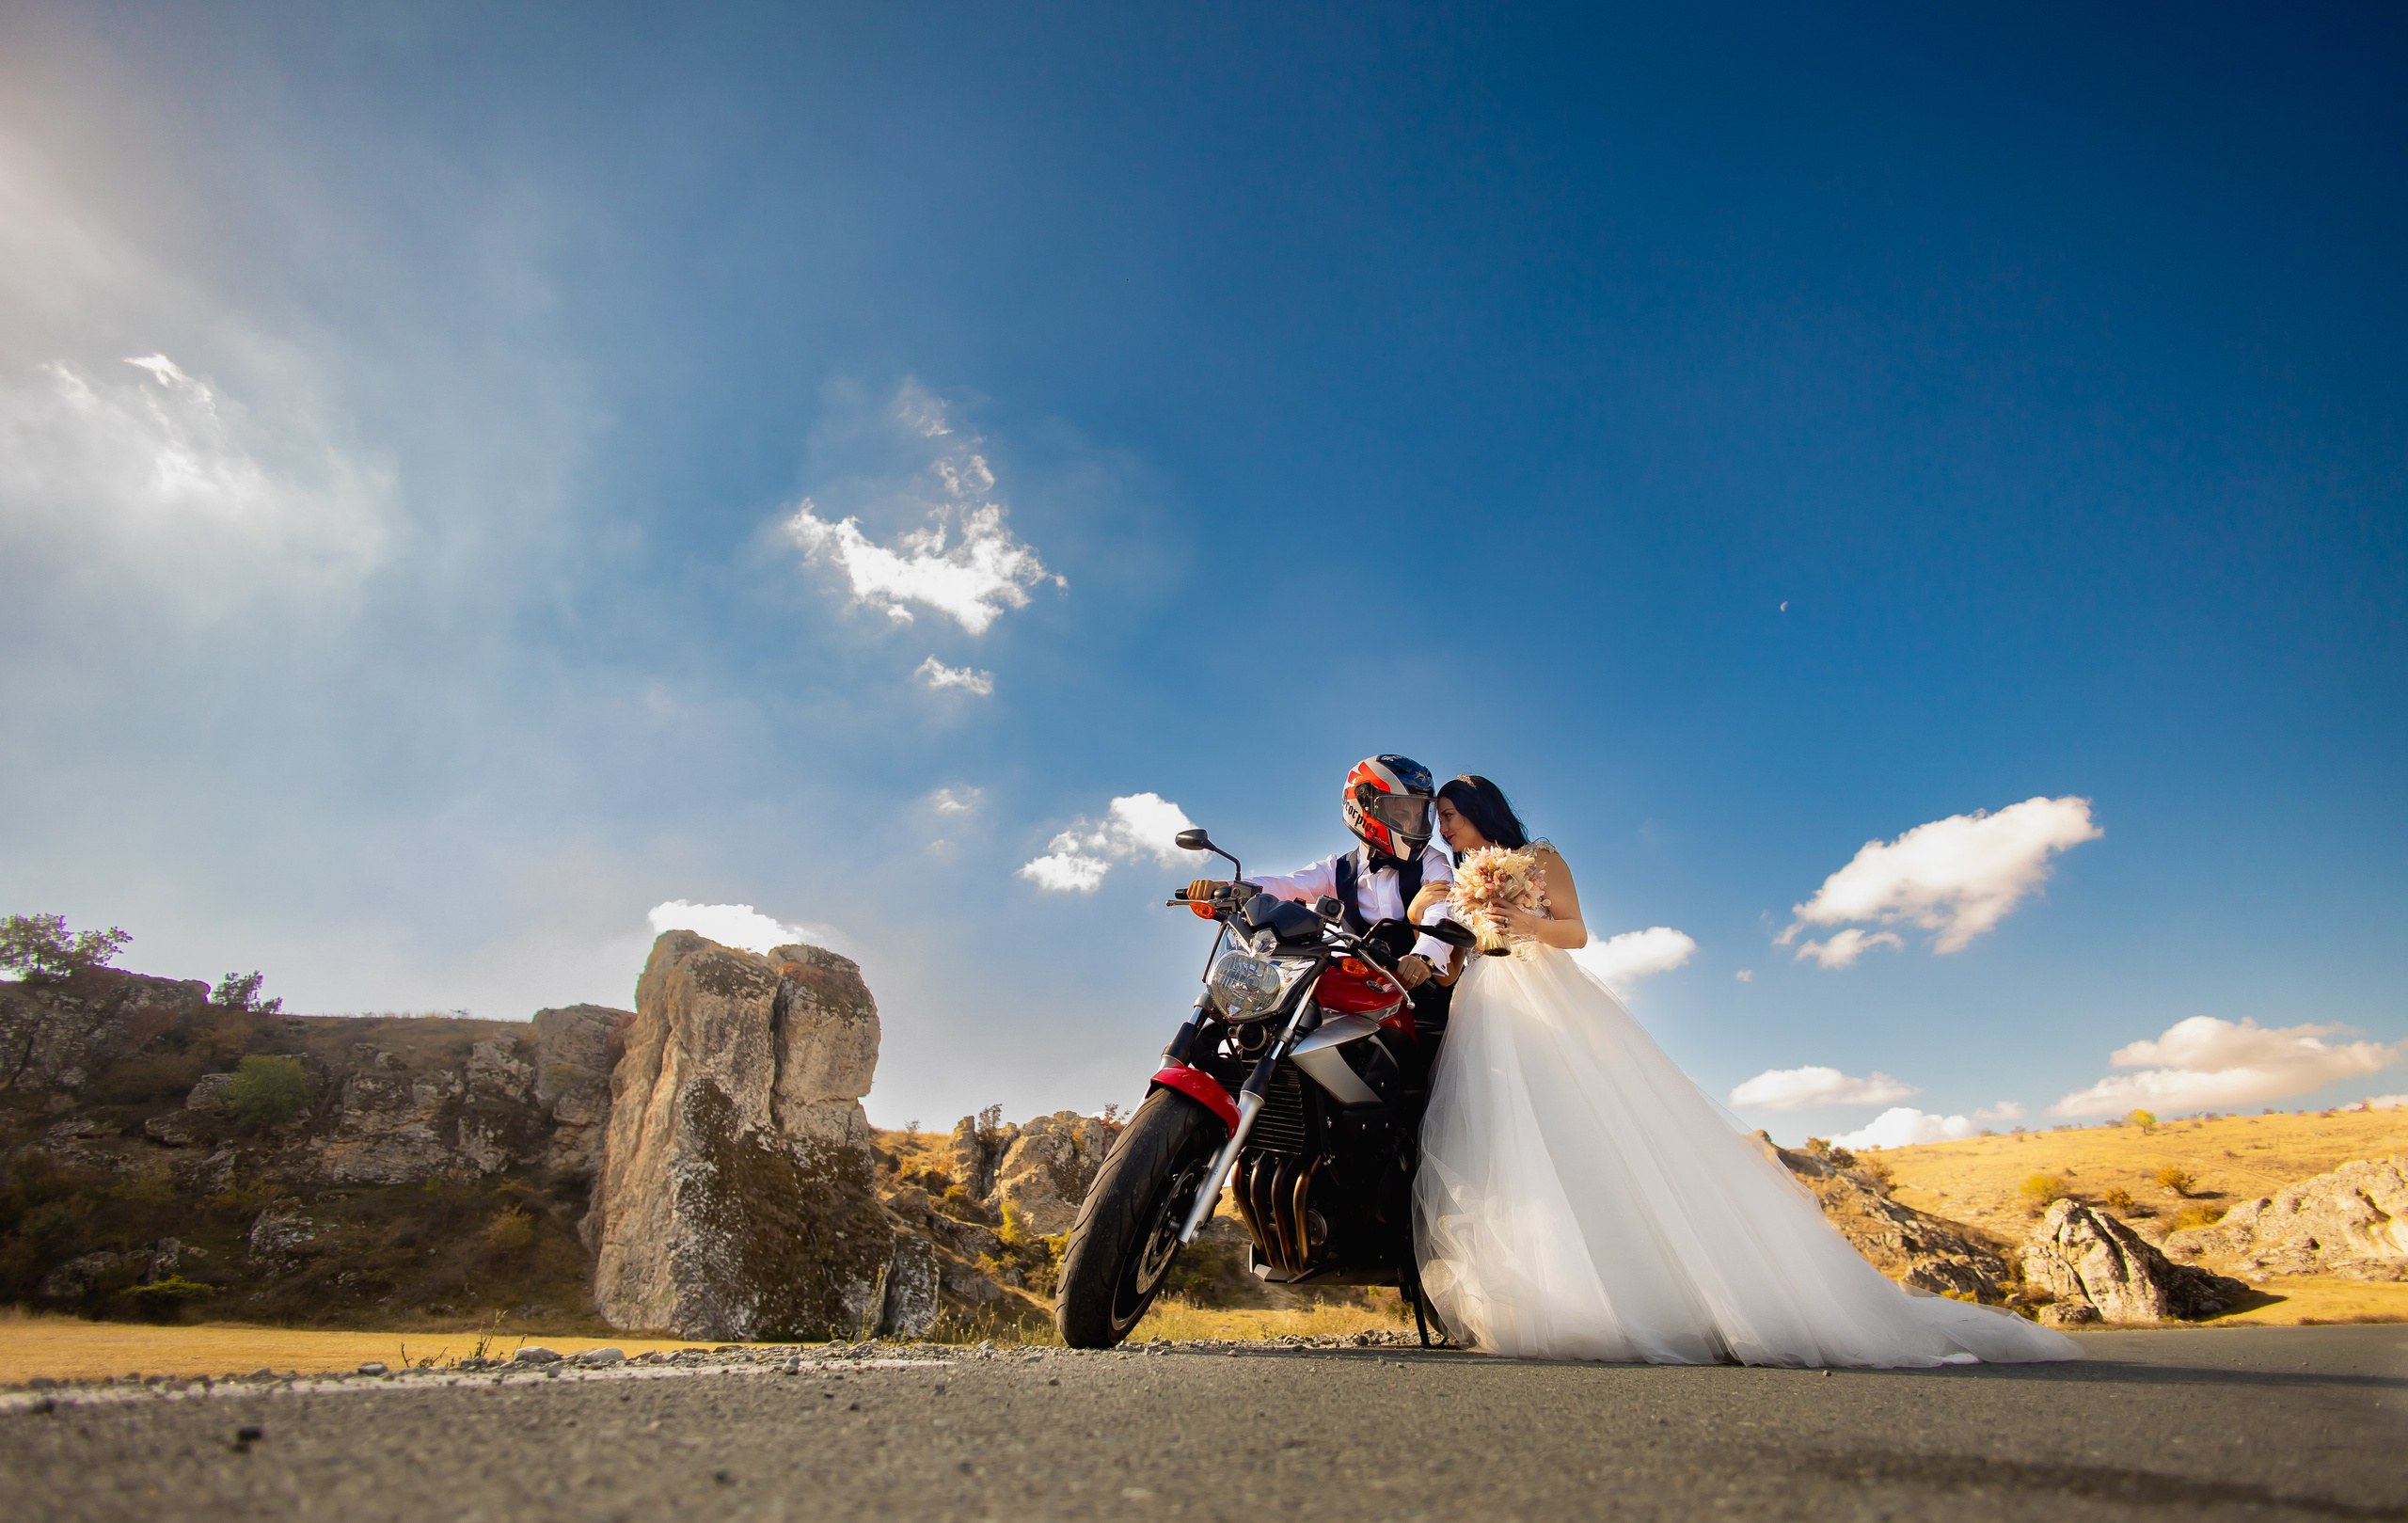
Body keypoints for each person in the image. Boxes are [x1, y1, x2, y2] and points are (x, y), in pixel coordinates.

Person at [1407, 773, 2080, 1368]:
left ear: (1481, 810)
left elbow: (1577, 932)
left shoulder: (1538, 856)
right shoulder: (1457, 874)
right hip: (1487, 1005)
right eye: (1439, 818)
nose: (1445, 827)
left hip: (1545, 991)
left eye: (1451, 814)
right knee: (1508, 1148)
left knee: (1586, 1129)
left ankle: (1660, 1300)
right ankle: (1544, 1296)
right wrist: (1434, 925)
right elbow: (1456, 946)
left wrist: (1520, 918)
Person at [1186, 754, 1460, 1055]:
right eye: (1402, 811)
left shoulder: (1431, 861)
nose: (1413, 822)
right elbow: (1289, 884)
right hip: (1351, 987)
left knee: (1436, 1066)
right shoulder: (1339, 867)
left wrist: (1423, 956)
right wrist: (1226, 888)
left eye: (1418, 813)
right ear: (1365, 808)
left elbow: (1440, 907)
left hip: (1414, 992)